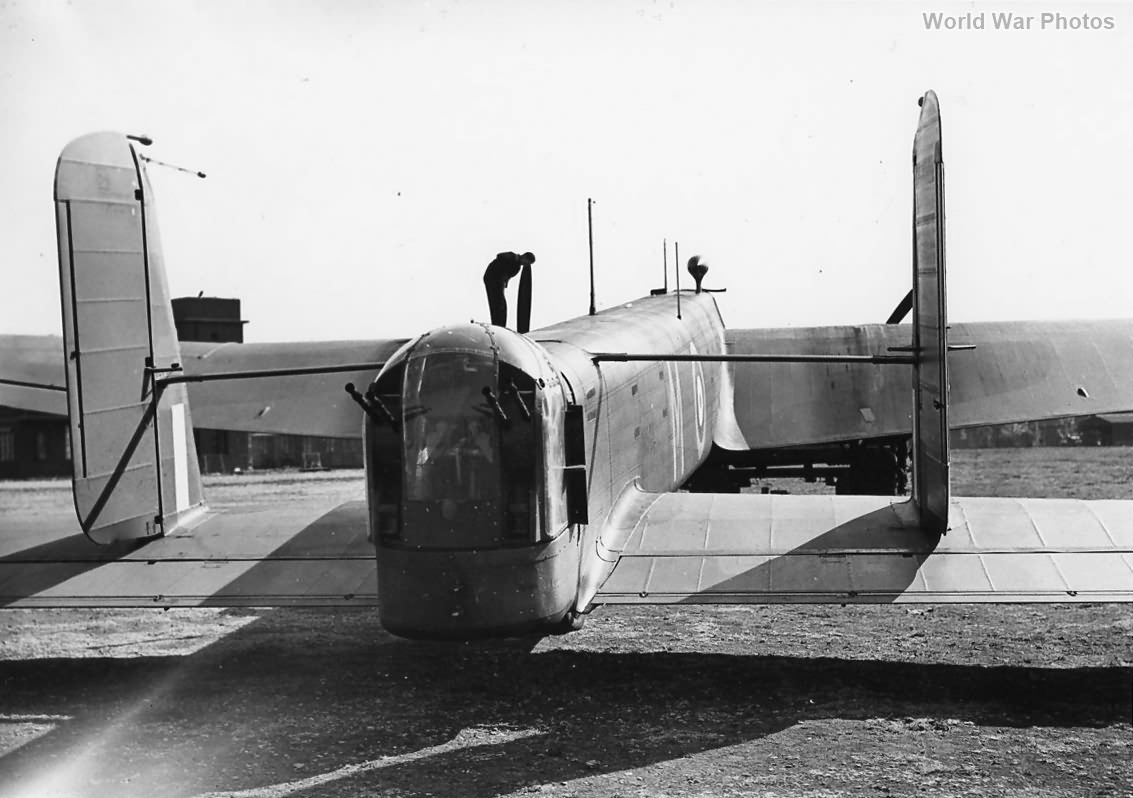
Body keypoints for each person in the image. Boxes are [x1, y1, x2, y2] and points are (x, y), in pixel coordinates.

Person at [483, 251, 535, 327]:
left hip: (499, 283)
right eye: (527, 262)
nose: (526, 264)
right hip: (493, 279)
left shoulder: (517, 268)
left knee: (501, 306)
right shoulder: (512, 257)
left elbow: (508, 276)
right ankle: (497, 323)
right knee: (498, 304)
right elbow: (499, 256)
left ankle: (500, 324)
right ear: (525, 257)